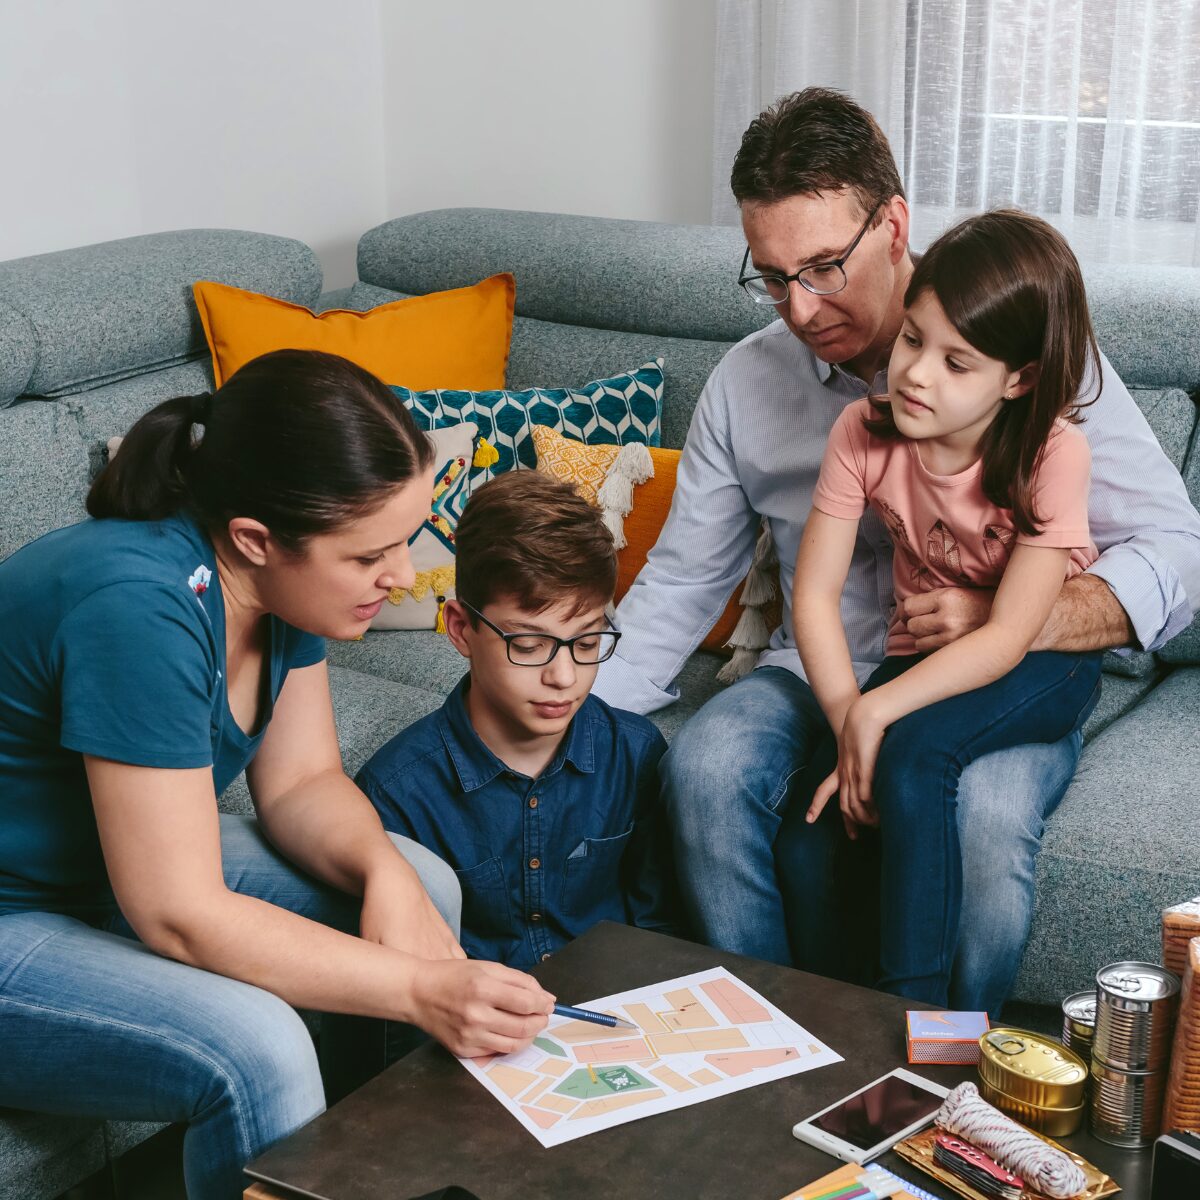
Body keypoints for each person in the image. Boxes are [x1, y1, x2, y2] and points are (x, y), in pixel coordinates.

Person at [591, 87, 1200, 1015]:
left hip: (998, 669)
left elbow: (1178, 551)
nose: (798, 308)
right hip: (819, 666)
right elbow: (680, 584)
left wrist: (1013, 616)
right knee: (705, 769)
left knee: (983, 823)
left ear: (894, 225)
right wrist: (566, 727)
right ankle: (776, 1046)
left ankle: (945, 1072)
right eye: (772, 275)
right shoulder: (750, 387)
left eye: (825, 266)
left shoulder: (1028, 356)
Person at [0, 350, 554, 1200]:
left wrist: (382, 872)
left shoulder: (277, 589)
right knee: (255, 1045)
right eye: (371, 555)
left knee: (422, 884)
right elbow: (179, 914)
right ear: (256, 539)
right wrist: (418, 987)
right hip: (19, 909)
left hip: (90, 867)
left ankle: (405, 1178)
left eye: (405, 541)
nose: (402, 576)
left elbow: (300, 786)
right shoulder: (138, 606)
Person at [791, 210, 1103, 1005]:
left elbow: (1005, 640)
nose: (918, 374)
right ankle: (843, 1018)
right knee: (825, 813)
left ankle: (919, 1028)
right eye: (913, 341)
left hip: (1041, 662)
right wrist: (846, 720)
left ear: (1019, 378)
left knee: (917, 756)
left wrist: (879, 715)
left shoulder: (1051, 453)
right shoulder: (863, 431)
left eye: (957, 362)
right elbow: (815, 596)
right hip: (922, 653)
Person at [357, 470, 677, 970]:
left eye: (588, 643)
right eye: (529, 645)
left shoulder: (636, 755)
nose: (564, 676)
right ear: (461, 629)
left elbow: (660, 932)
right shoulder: (395, 792)